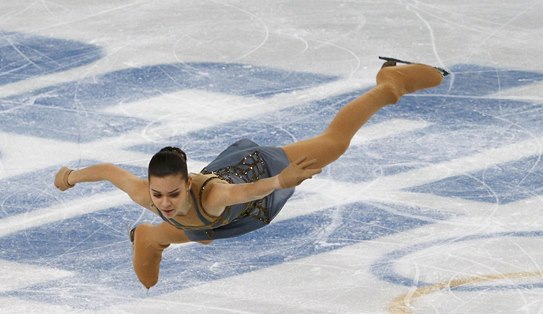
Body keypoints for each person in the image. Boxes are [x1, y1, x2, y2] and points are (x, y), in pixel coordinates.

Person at [54, 59, 446, 289]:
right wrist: (71, 177)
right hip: (223, 217)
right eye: (158, 195)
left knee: (334, 144)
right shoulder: (147, 194)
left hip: (259, 173)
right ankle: (152, 236)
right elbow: (107, 171)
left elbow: (252, 190)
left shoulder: (215, 195)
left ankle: (390, 86)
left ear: (186, 183)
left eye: (172, 194)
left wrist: (282, 180)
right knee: (194, 230)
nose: (164, 201)